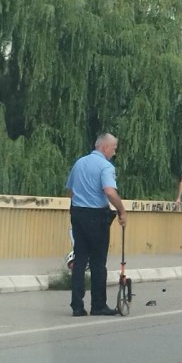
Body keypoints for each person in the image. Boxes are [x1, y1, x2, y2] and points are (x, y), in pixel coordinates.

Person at [65, 133, 127, 317]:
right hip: (96, 216)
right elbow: (109, 191)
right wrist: (122, 211)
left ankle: (77, 305)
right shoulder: (105, 166)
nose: (114, 152)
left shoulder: (79, 163)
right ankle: (98, 305)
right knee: (98, 262)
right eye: (114, 148)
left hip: (77, 213)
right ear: (105, 147)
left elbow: (70, 190)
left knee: (80, 259)